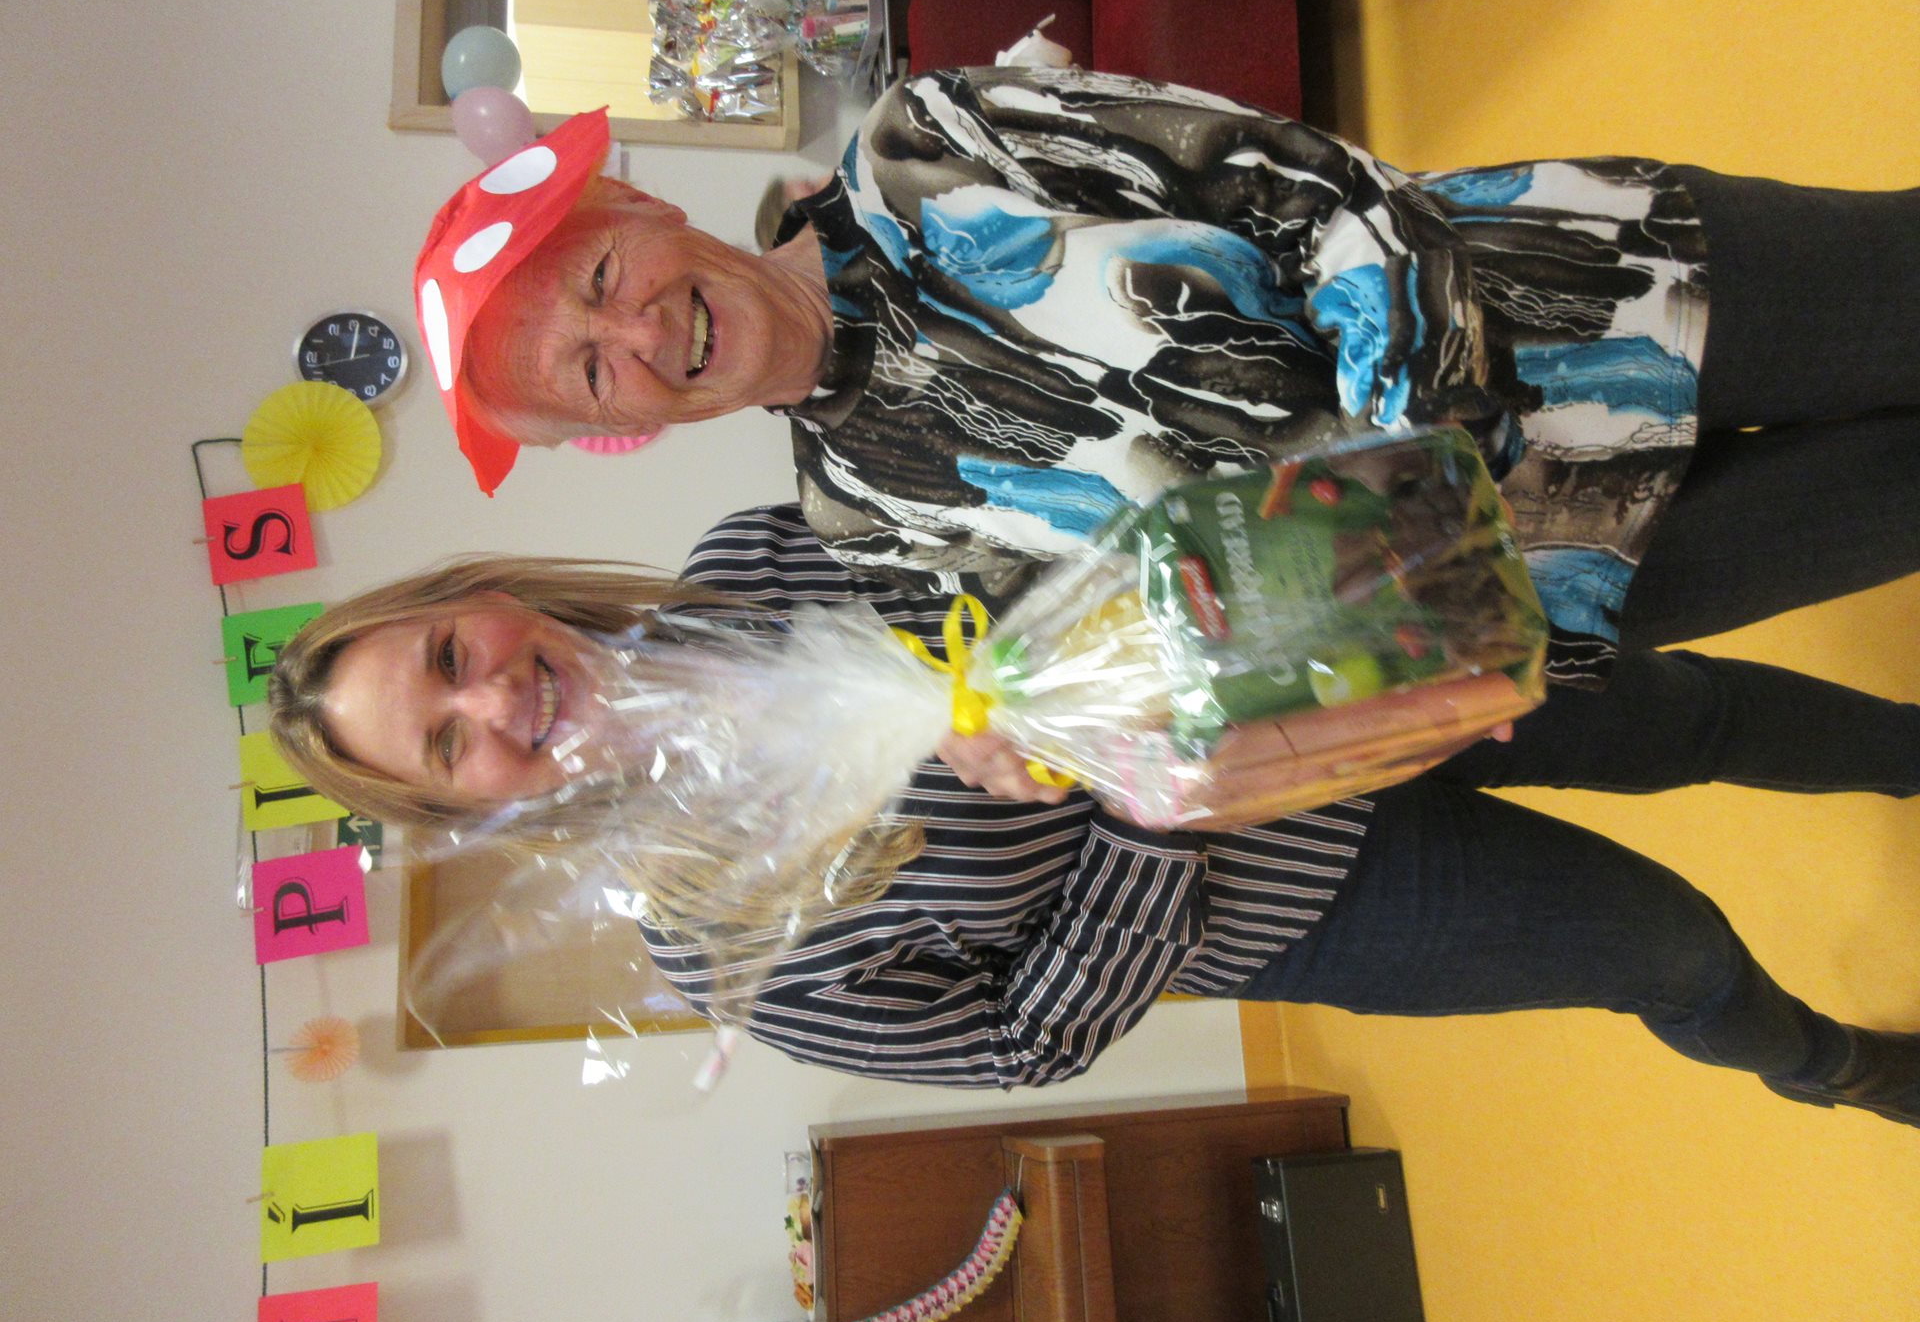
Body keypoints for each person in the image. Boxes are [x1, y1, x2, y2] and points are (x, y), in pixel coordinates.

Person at [264, 509, 1920, 1127]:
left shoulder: (749, 562)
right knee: (1669, 946)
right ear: (462, 809)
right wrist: (1141, 803)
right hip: (1326, 894)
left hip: (1312, 649)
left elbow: (1005, 529)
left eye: (450, 656)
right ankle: (1831, 1067)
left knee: (1686, 710)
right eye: (449, 745)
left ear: (479, 599)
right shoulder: (719, 935)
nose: (495, 700)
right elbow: (1017, 1044)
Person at [413, 67, 1920, 698]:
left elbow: (1301, 182)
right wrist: (1049, 742)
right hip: (1562, 568)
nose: (637, 337)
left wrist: (1405, 456)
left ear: (640, 208)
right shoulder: (867, 525)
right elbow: (1168, 659)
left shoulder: (926, 144)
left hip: (1600, 295)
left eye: (598, 281)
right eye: (590, 376)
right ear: (614, 432)